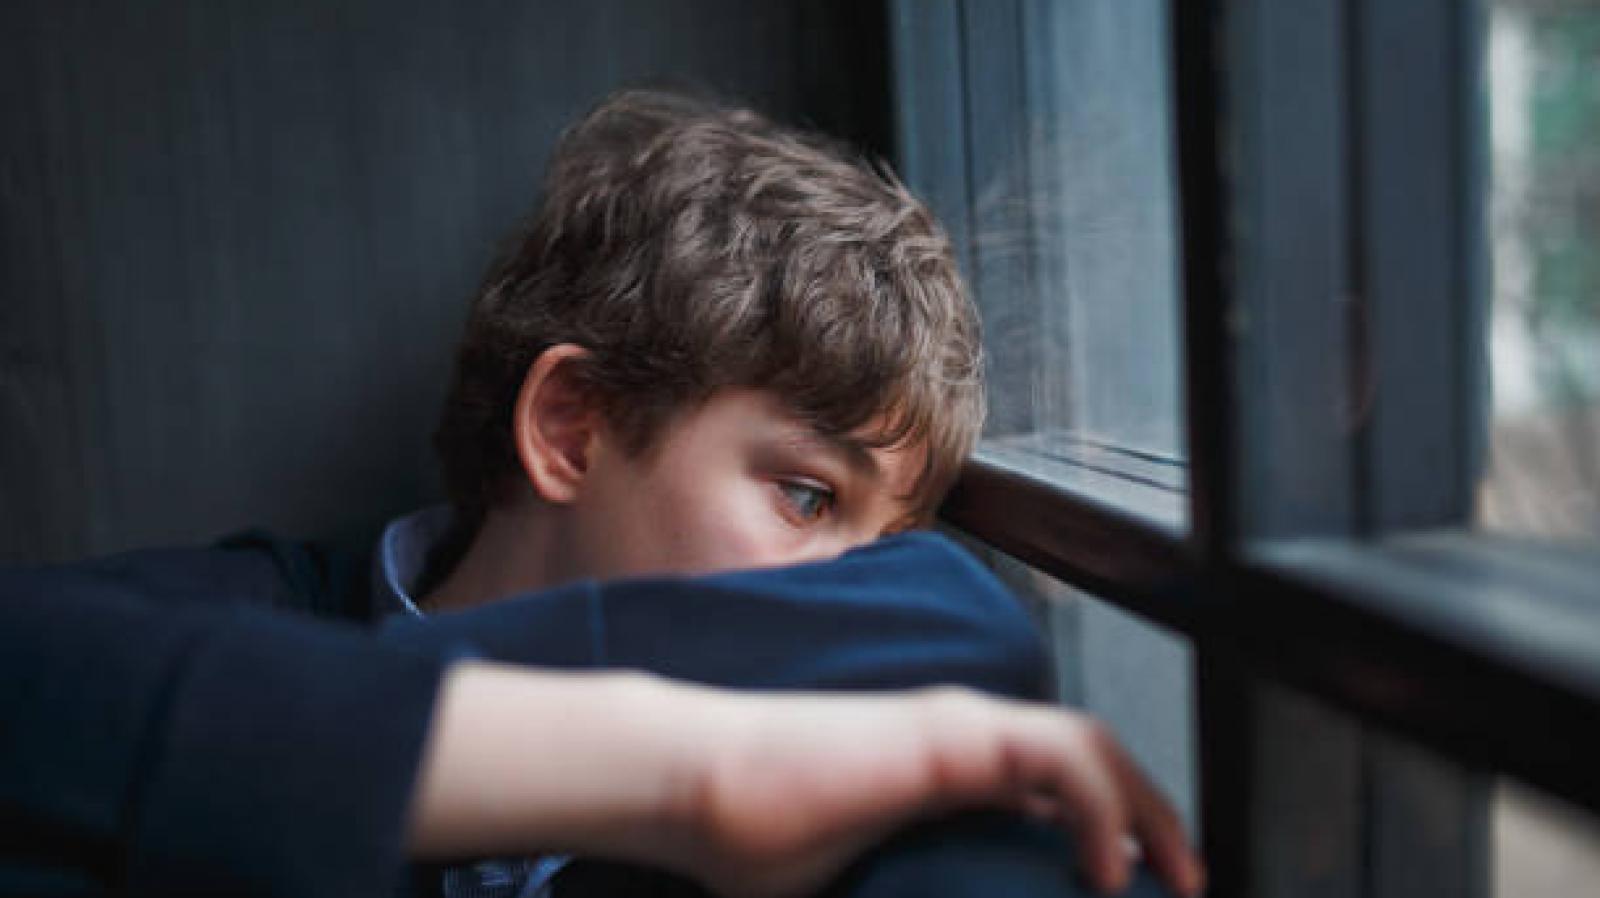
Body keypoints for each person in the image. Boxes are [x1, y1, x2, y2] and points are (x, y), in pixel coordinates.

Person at [0, 90, 1203, 898]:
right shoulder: (225, 628)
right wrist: (679, 765)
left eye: (883, 537)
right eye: (801, 495)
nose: (850, 592)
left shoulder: (882, 729)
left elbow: (951, 617)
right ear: (571, 428)